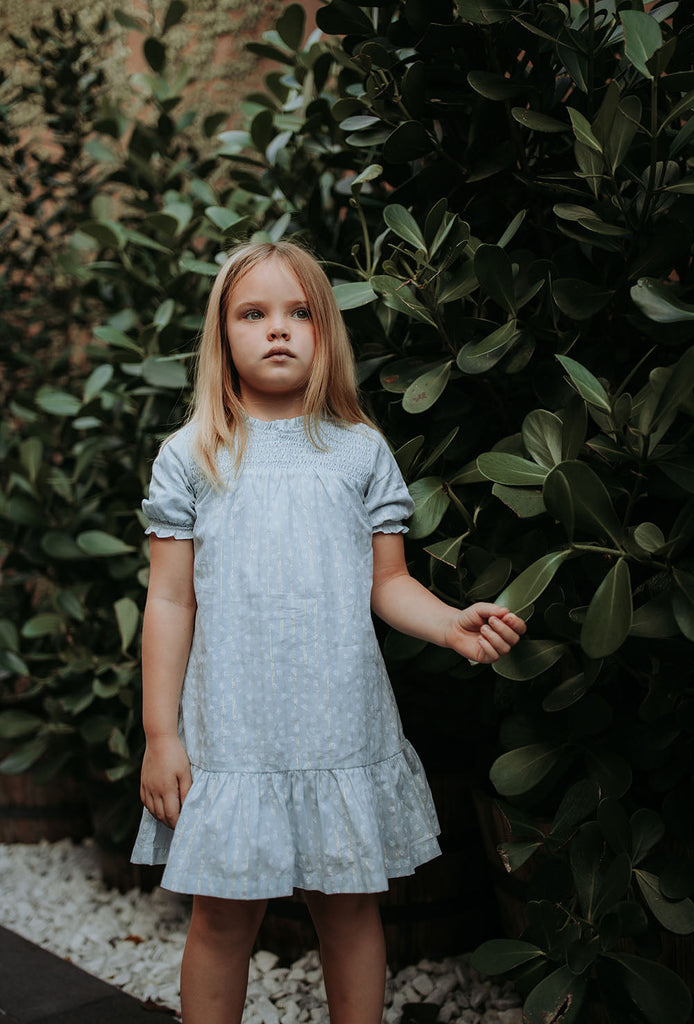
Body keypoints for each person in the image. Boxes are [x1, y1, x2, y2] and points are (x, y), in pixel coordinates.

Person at [131, 240, 526, 1024]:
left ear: (325, 332)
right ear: (223, 335)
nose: (278, 330)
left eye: (300, 312)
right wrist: (159, 733)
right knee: (220, 918)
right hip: (230, 739)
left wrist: (450, 624)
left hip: (338, 730)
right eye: (254, 313)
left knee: (347, 910)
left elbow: (389, 583)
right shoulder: (192, 455)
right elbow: (170, 602)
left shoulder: (358, 450)